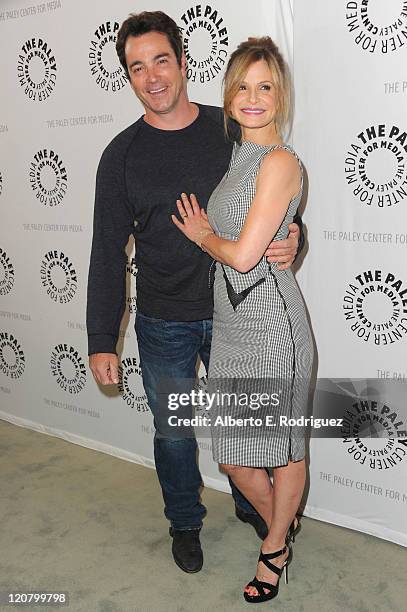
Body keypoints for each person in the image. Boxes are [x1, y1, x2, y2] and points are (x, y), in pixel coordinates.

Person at [86, 11, 303, 575]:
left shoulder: (228, 129)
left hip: (237, 319)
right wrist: (100, 338)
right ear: (128, 77)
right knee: (175, 434)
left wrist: (295, 243)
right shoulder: (121, 156)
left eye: (162, 59)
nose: (153, 75)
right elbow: (107, 252)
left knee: (246, 429)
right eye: (138, 67)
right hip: (163, 320)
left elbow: (267, 205)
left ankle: (255, 510)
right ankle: (184, 521)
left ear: (183, 62)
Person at [172, 37, 313, 602]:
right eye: (243, 87)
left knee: (285, 449)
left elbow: (244, 253)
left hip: (275, 330)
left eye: (266, 87)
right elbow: (272, 228)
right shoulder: (238, 157)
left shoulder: (279, 161)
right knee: (233, 456)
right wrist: (293, 236)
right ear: (229, 98)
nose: (254, 98)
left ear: (280, 97)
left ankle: (274, 547)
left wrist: (204, 234)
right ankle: (283, 523)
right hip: (231, 330)